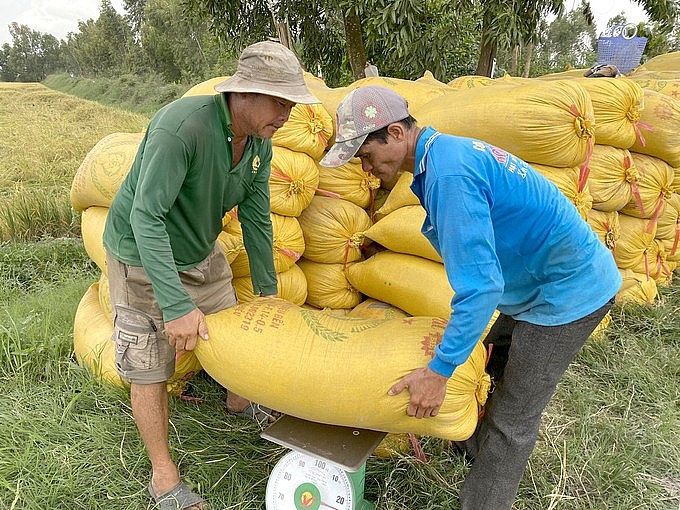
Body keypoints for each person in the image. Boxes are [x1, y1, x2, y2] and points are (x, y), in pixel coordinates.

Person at [320, 85, 621, 509]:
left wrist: (439, 372)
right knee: (493, 360)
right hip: (539, 283)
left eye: (367, 155)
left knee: (513, 419)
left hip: (567, 294)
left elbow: (481, 288)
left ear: (395, 132)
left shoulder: (450, 175)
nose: (367, 169)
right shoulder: (440, 158)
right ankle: (474, 450)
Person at [103, 41, 318, 510]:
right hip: (142, 253)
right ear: (244, 94)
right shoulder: (182, 128)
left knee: (235, 328)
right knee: (150, 363)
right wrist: (177, 305)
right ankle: (163, 477)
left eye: (291, 104)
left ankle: (240, 400)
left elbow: (258, 218)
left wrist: (267, 293)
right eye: (280, 103)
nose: (286, 115)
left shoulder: (259, 142)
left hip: (201, 251)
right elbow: (146, 218)